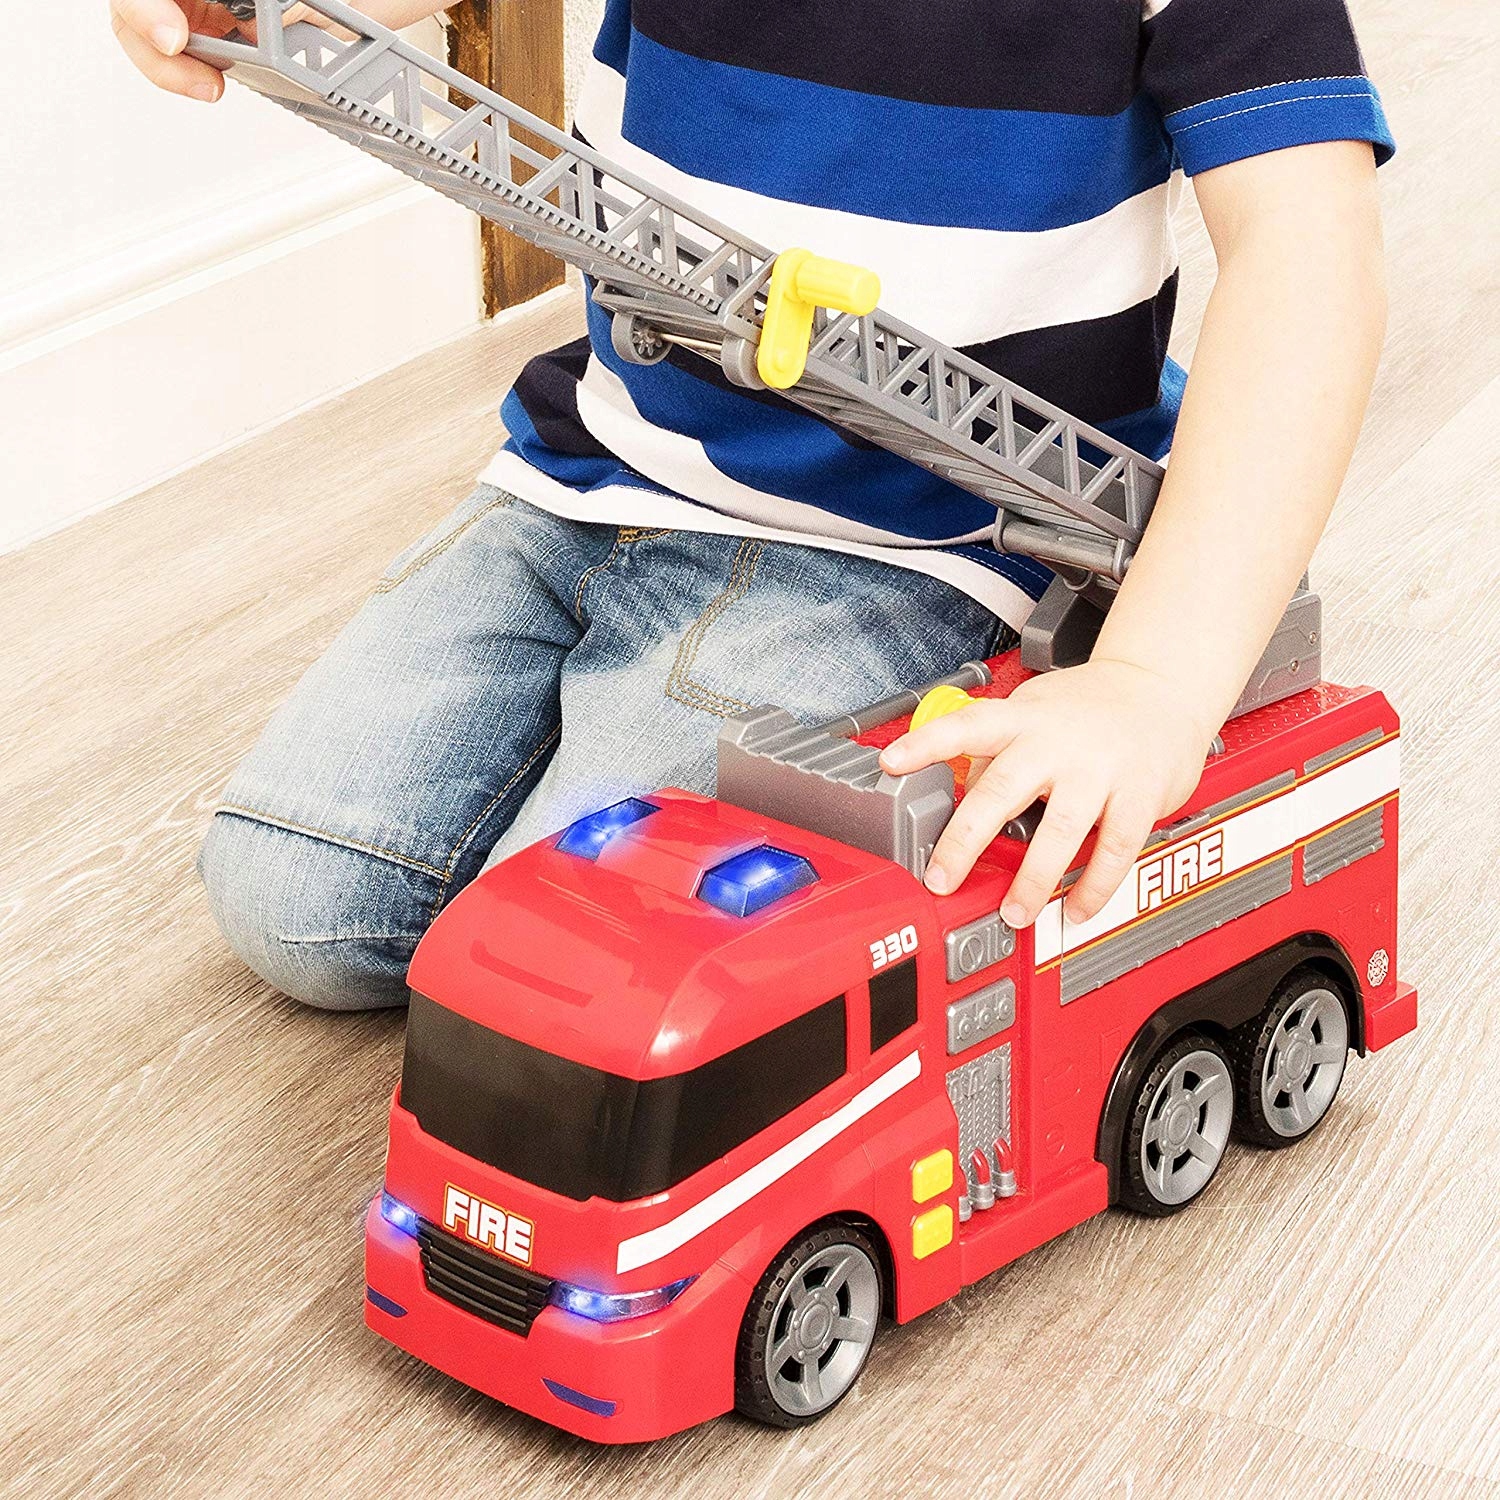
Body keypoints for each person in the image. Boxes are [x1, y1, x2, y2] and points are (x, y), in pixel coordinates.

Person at [111, 0, 1392, 1010]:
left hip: (915, 539)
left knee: (563, 961)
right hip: (603, 466)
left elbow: (1306, 256)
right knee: (299, 902)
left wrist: (1156, 684)